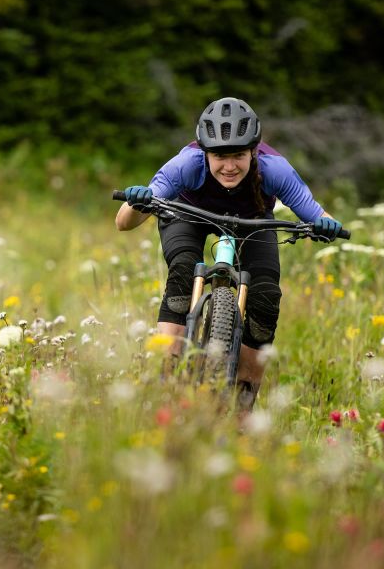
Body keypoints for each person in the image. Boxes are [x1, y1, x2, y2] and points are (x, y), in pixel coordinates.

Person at [115, 97, 341, 412]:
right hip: (188, 214)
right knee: (182, 269)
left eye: (238, 155)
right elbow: (123, 224)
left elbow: (316, 213)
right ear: (206, 153)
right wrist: (136, 203)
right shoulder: (185, 166)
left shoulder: (275, 170)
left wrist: (325, 226)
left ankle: (242, 404)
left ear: (254, 152)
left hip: (253, 220)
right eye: (220, 156)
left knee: (265, 299)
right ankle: (165, 382)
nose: (230, 166)